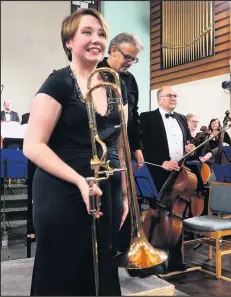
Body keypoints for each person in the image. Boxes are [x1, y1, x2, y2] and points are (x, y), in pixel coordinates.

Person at [23, 8, 129, 296]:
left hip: (104, 189)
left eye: (102, 34)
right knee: (63, 272)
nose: (97, 39)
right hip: (62, 191)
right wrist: (80, 181)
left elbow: (120, 142)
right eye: (87, 32)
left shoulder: (115, 85)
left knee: (102, 268)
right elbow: (32, 145)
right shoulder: (58, 82)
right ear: (69, 41)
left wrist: (125, 193)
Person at [140, 86, 195, 274]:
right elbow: (141, 147)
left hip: (179, 173)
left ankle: (176, 261)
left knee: (176, 214)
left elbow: (187, 142)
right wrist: (161, 162)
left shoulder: (180, 118)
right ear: (159, 99)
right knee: (157, 216)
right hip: (158, 173)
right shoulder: (147, 118)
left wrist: (189, 147)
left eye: (175, 95)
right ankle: (153, 258)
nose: (174, 98)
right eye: (169, 95)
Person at [97, 32, 144, 170]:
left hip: (123, 145)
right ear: (113, 50)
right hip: (99, 145)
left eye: (133, 59)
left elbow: (133, 115)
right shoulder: (95, 70)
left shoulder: (130, 80)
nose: (130, 63)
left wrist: (136, 147)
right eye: (127, 57)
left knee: (123, 189)